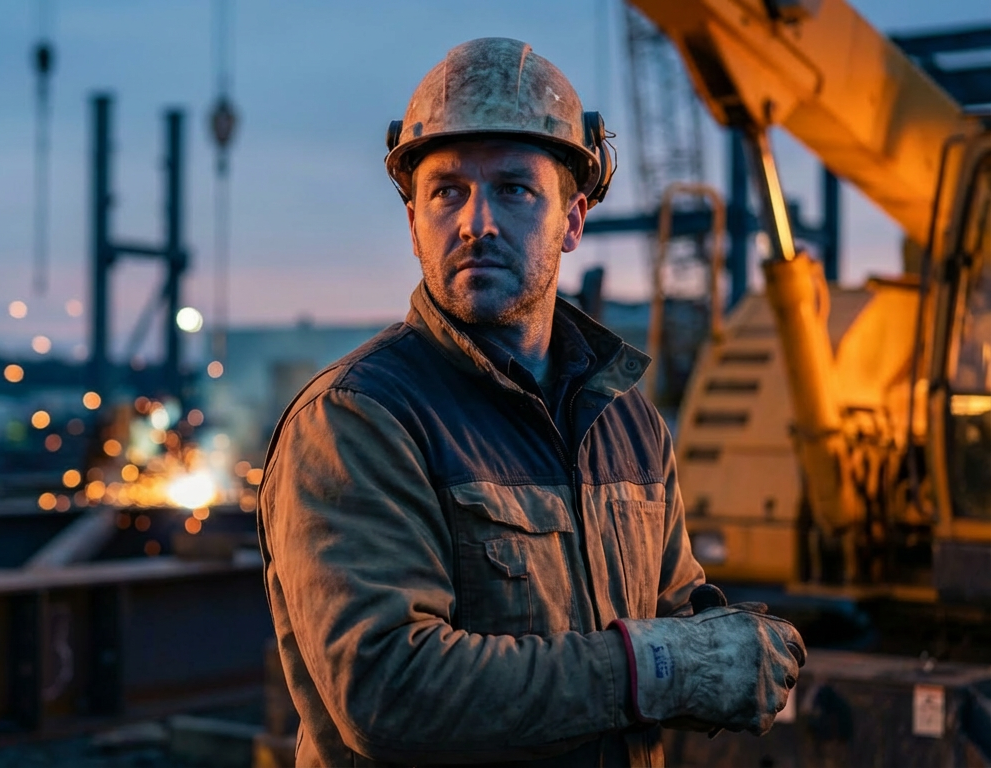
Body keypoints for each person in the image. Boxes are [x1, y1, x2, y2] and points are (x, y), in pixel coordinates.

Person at [256, 37, 806, 766]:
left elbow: (668, 603)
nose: (476, 221)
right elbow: (390, 689)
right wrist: (656, 668)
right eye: (447, 190)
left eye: (515, 189)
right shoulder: (361, 419)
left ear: (572, 221)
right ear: (414, 221)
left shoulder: (627, 424)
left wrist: (725, 638)